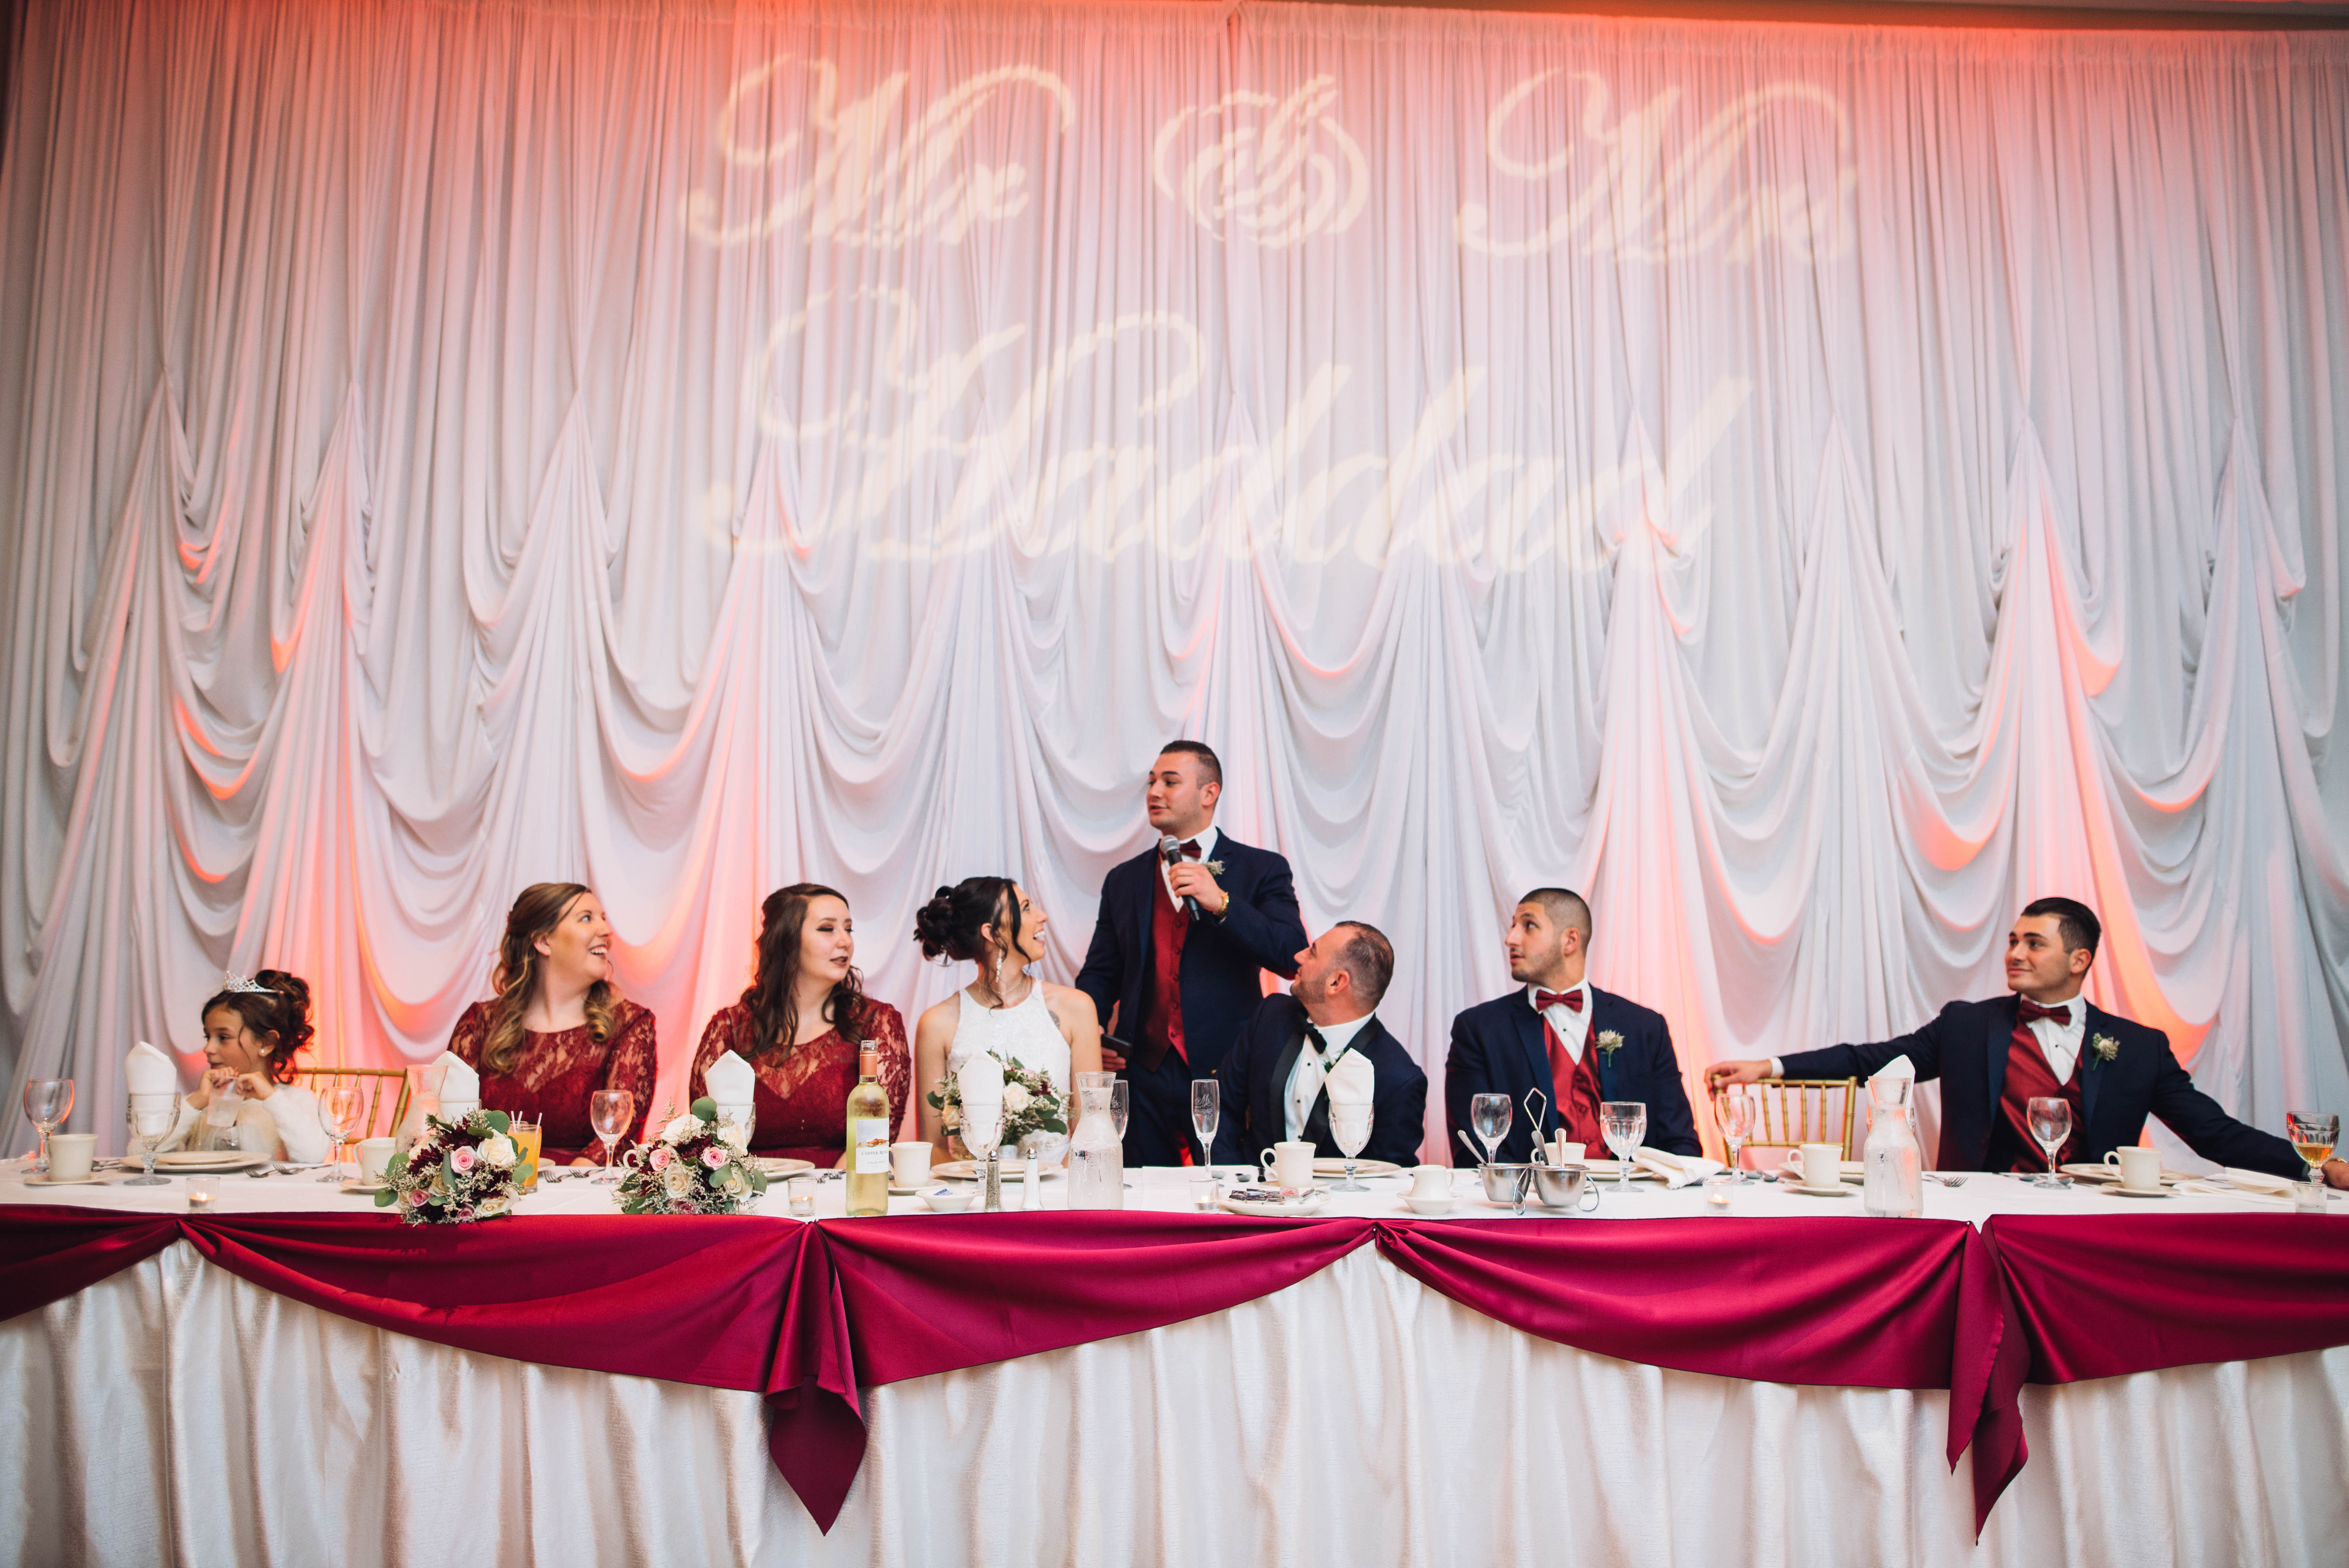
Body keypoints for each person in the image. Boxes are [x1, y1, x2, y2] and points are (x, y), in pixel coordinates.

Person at [1708, 897, 2349, 1185]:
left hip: (2092, 1226)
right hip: (1980, 1219)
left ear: (2078, 959)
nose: (2013, 953)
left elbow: (2212, 1132)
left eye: (2032, 943)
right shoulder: (1966, 1026)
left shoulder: (2139, 1046)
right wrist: (1766, 1066)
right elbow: (1866, 1059)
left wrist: (2313, 1167)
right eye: (2012, 940)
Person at [1076, 742, 1309, 1166]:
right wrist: (1089, 1031)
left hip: (1227, 1067)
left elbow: (1291, 955)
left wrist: (1222, 903)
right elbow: (1101, 972)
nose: (1154, 792)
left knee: (1226, 1185)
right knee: (1142, 1190)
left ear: (1209, 793)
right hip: (1141, 1071)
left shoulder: (1262, 868)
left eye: (1170, 782)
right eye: (1152, 782)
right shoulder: (1123, 880)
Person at [1445, 889, 1700, 1164]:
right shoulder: (1479, 1030)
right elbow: (1475, 1152)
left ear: (1570, 941)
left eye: (1529, 926)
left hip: (1629, 1189)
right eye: (1513, 926)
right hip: (1529, 1191)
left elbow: (1681, 1145)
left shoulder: (1645, 1027)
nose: (1511, 939)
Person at [687, 884, 911, 1167]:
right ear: (787, 940)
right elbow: (706, 1140)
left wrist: (827, 1189)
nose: (846, 941)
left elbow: (874, 1140)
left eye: (849, 929)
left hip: (840, 1188)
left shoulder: (877, 1023)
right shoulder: (729, 1028)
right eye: (828, 929)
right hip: (749, 1189)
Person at [447, 882, 658, 1167]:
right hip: (495, 1187)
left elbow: (616, 1139)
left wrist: (560, 1190)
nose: (607, 931)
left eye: (603, 918)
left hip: (583, 1187)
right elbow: (452, 1129)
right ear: (544, 942)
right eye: (586, 918)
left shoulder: (630, 1024)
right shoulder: (478, 1024)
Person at [1210, 922, 1427, 1169]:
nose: (1298, 956)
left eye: (1312, 952)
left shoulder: (1399, 1081)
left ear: (1336, 982)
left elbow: (1389, 1177)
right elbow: (1221, 1106)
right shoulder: (1270, 1017)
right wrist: (1228, 1177)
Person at [912, 877, 1104, 1156]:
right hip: (971, 1181)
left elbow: (1091, 1131)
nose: (1042, 916)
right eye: (1026, 908)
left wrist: (1055, 1182)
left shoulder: (1076, 1008)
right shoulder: (937, 1023)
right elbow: (933, 1149)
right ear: (992, 933)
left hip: (1058, 1180)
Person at [160, 970, 332, 1163]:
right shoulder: (199, 1103)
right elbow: (144, 1154)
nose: (208, 1049)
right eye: (208, 1037)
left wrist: (271, 1098)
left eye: (223, 1037)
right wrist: (197, 1101)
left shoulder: (297, 1101)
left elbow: (313, 1157)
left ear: (267, 1043)